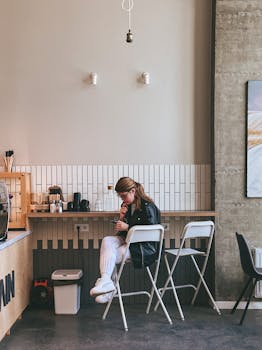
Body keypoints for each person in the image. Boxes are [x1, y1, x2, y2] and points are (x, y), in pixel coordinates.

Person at [90, 176, 161, 303]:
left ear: (133, 191)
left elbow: (150, 232)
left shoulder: (148, 206)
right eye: (120, 197)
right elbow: (123, 233)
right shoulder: (128, 205)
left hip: (145, 248)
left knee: (112, 255)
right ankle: (106, 281)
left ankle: (110, 289)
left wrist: (127, 226)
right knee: (107, 240)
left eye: (123, 196)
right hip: (131, 241)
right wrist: (122, 217)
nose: (122, 199)